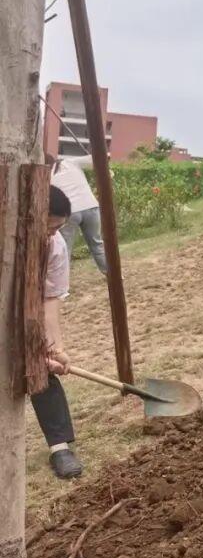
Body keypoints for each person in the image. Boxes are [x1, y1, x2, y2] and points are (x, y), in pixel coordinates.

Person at [30, 186, 84, 479]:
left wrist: (55, 349)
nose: (53, 233)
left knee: (40, 368)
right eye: (49, 226)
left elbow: (49, 299)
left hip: (27, 310)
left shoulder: (55, 245)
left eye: (58, 227)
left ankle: (60, 448)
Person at [45, 154, 107, 275]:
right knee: (97, 244)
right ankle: (113, 275)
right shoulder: (71, 162)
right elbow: (97, 159)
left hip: (70, 212)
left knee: (65, 248)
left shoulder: (46, 175)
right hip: (90, 206)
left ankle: (63, 280)